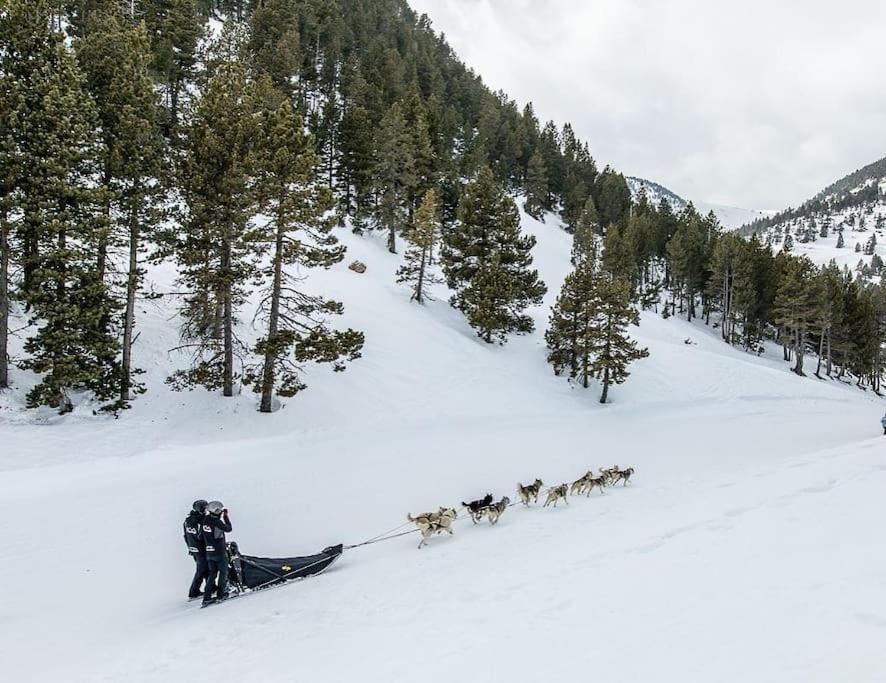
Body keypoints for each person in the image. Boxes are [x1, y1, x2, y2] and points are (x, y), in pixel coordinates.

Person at [201, 501, 232, 606]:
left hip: (209, 552)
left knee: (212, 575)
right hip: (219, 552)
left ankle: (206, 598)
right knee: (223, 573)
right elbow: (228, 529)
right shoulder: (216, 522)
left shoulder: (205, 520)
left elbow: (200, 536)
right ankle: (220, 595)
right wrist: (226, 517)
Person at [183, 499, 209, 599]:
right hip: (201, 549)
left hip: (193, 549)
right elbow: (202, 535)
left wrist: (190, 547)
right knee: (202, 570)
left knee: (204, 569)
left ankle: (210, 587)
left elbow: (185, 536)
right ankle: (193, 591)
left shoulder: (187, 521)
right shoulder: (200, 520)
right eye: (205, 508)